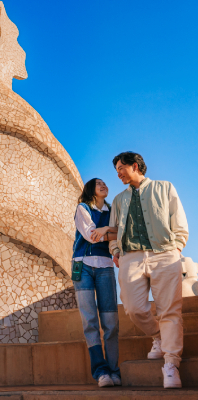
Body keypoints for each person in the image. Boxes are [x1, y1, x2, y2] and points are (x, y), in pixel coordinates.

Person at [109, 151, 188, 389]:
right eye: (116, 171)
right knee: (133, 308)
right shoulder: (118, 199)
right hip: (130, 257)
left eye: (121, 168)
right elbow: (113, 229)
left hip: (164, 253)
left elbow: (178, 219)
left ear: (135, 166)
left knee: (170, 310)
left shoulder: (165, 188)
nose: (118, 174)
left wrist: (177, 246)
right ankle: (159, 336)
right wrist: (115, 250)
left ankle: (171, 363)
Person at [72, 178, 121, 387]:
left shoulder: (112, 211)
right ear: (91, 188)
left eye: (105, 183)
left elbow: (122, 232)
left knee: (111, 322)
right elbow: (92, 236)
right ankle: (100, 371)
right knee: (90, 320)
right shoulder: (82, 209)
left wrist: (110, 232)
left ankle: (113, 370)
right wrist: (112, 232)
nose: (104, 185)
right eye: (98, 183)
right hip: (82, 266)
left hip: (106, 267)